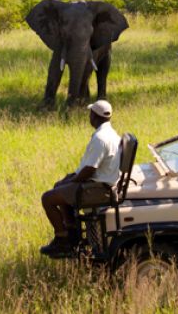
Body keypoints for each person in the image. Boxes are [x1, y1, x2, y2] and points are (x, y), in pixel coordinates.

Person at [39, 100, 121, 257]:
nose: (89, 116)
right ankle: (72, 232)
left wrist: (72, 180)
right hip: (102, 184)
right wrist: (71, 179)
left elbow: (90, 169)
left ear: (95, 117)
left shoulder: (100, 139)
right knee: (59, 186)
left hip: (95, 189)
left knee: (47, 199)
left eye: (90, 114)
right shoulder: (112, 134)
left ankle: (62, 239)